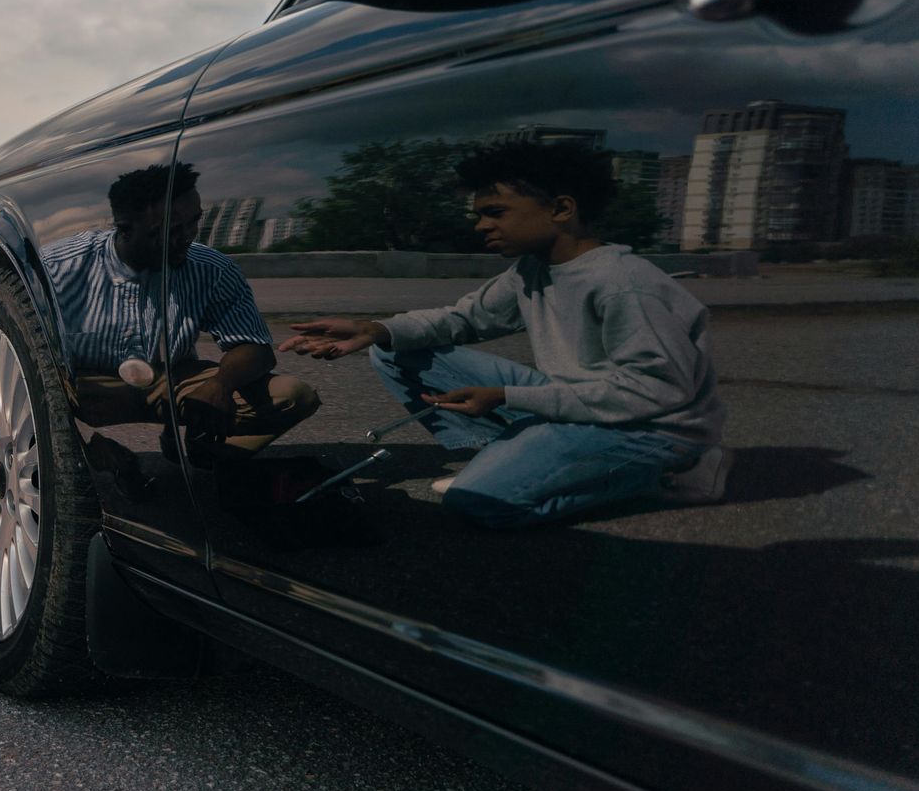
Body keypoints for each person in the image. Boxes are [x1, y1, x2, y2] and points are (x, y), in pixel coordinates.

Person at [281, 141, 730, 527]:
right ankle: (513, 459)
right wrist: (373, 328)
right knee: (395, 352)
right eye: (479, 215)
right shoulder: (532, 269)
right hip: (576, 403)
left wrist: (508, 397)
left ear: (561, 209)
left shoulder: (623, 283)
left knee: (478, 504)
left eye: (495, 212)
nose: (481, 226)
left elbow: (657, 393)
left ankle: (675, 471)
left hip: (648, 429)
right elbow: (465, 319)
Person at [43, 163, 318, 465]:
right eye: (171, 230)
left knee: (294, 396)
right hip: (85, 388)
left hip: (172, 379)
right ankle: (84, 458)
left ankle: (206, 452)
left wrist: (220, 385)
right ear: (124, 227)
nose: (187, 236)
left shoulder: (212, 269)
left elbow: (255, 348)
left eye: (193, 223)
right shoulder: (58, 269)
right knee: (42, 392)